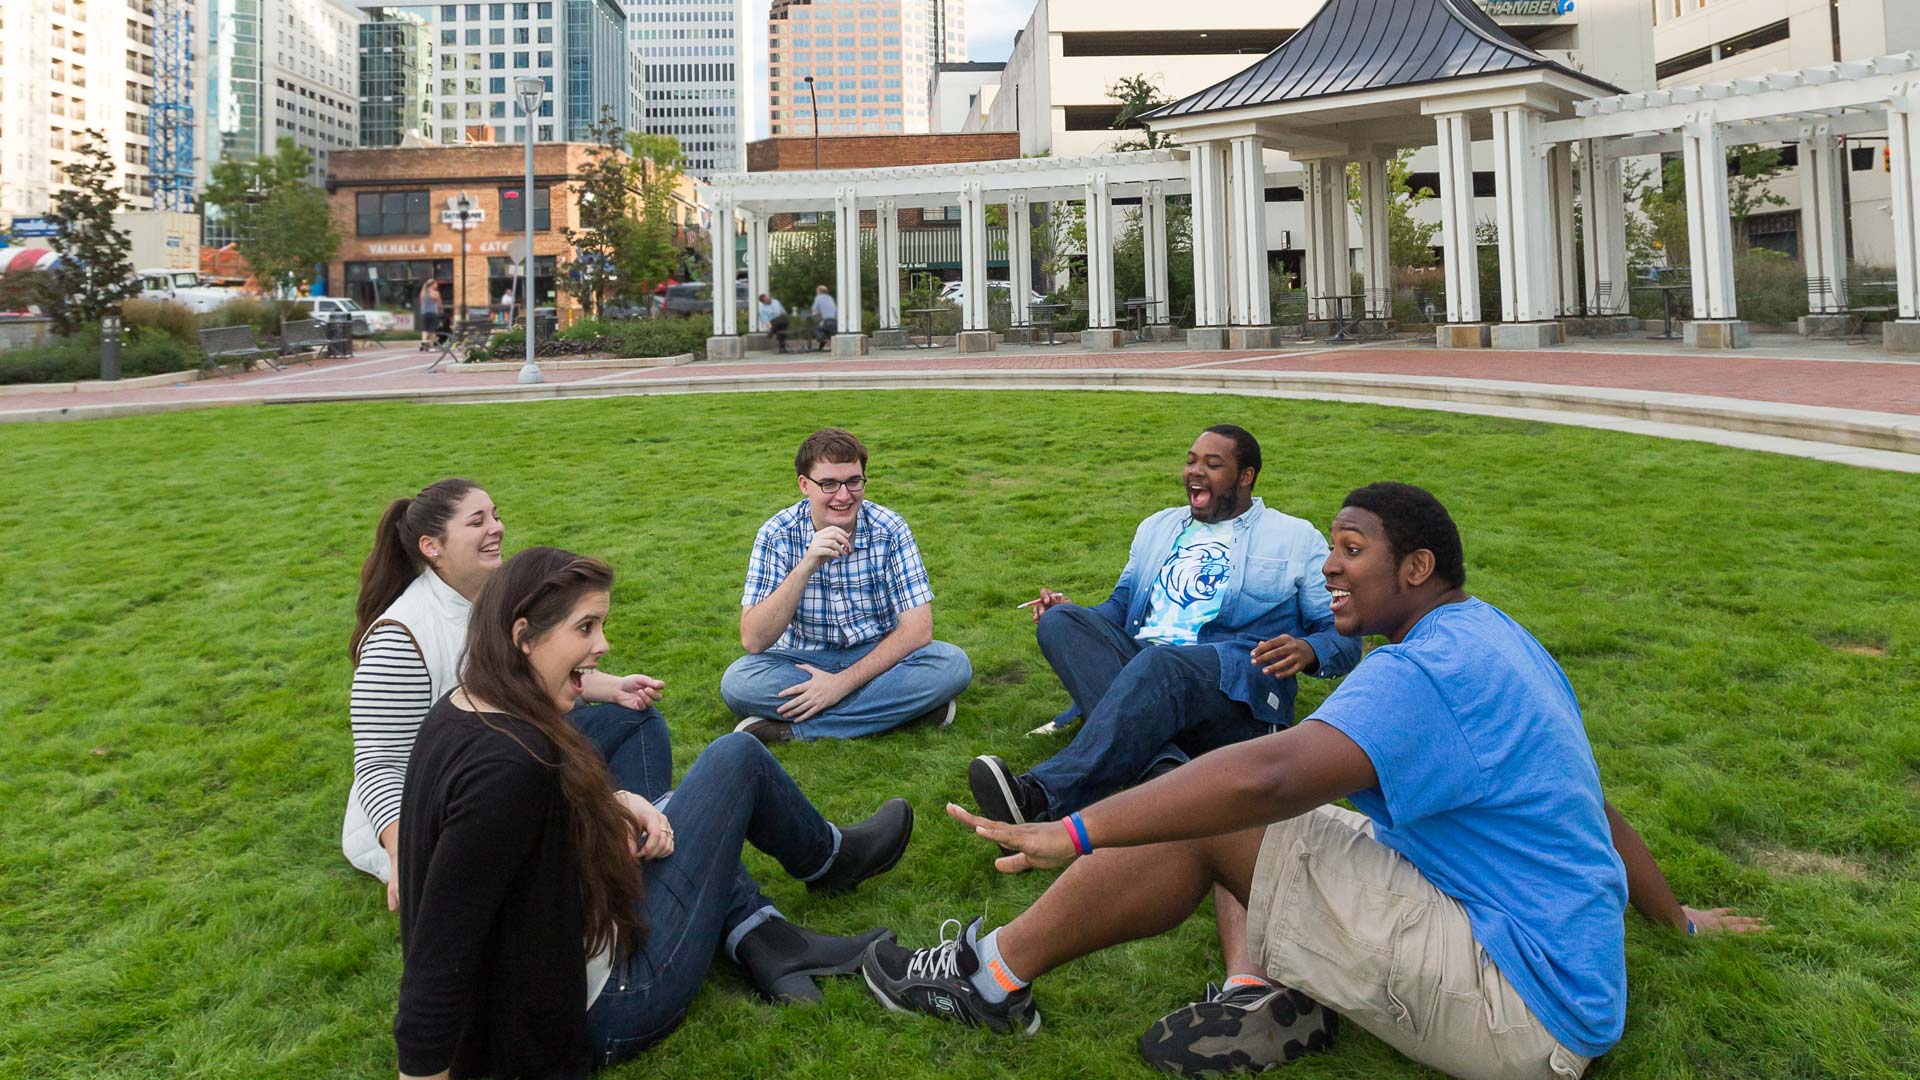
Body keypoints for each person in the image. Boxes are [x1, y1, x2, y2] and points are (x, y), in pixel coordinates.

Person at [861, 483, 1765, 1079]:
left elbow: (1266, 776)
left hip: (1520, 1010)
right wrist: (1675, 919)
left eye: (1353, 549)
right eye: (1331, 546)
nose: (1330, 564)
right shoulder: (1498, 636)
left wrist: (1076, 832)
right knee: (1247, 800)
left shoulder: (1417, 676)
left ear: (1416, 570)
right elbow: (1590, 806)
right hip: (1568, 977)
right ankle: (1256, 989)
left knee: (1225, 807)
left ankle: (989, 979)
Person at [395, 548, 914, 1078]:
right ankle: (823, 869)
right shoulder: (514, 769)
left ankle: (764, 933)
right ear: (524, 635)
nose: (603, 645)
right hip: (609, 1002)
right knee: (736, 759)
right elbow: (437, 963)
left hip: (576, 961)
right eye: (586, 627)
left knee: (666, 786)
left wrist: (614, 805)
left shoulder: (464, 708)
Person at [968, 425, 1360, 825]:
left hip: (1232, 683)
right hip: (1148, 668)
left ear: (1246, 476)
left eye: (1212, 464)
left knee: (1163, 662)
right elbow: (1120, 608)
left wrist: (1309, 650)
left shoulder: (1295, 539)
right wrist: (1076, 612)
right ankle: (1162, 769)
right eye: (1191, 461)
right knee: (1060, 622)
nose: (1195, 471)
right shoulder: (1157, 527)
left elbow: (1343, 639)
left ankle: (1039, 797)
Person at [346, 479, 667, 915]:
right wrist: (405, 851)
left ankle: (637, 833)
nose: (496, 528)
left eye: (495, 515)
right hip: (450, 803)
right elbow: (378, 762)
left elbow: (533, 672)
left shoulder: (494, 597)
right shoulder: (399, 638)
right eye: (477, 521)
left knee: (637, 720)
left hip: (513, 752)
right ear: (431, 546)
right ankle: (634, 843)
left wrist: (612, 687)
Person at [720, 428, 972, 744]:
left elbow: (918, 630)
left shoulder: (889, 528)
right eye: (828, 484)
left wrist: (839, 685)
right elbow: (755, 640)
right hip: (803, 660)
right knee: (739, 682)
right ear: (804, 485)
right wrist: (806, 566)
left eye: (854, 482)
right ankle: (905, 711)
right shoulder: (776, 534)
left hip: (877, 656)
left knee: (951, 664)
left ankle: (797, 731)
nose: (844, 496)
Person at [416, 280, 443, 350]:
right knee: (432, 331)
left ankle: (424, 341)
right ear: (432, 284)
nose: (437, 285)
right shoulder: (436, 293)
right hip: (433, 313)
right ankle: (431, 347)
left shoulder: (423, 293)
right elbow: (439, 304)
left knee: (425, 329)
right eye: (436, 284)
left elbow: (422, 303)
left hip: (424, 313)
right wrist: (441, 311)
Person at [809, 284, 837, 350]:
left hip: (827, 321)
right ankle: (820, 348)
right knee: (823, 330)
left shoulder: (818, 298)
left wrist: (815, 313)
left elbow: (814, 310)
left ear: (819, 291)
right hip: (835, 322)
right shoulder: (830, 298)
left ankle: (822, 340)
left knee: (815, 329)